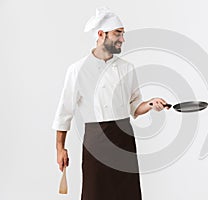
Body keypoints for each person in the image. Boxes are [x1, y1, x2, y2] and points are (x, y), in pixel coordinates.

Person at [52, 7, 168, 200]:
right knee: (95, 193)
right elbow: (64, 114)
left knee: (127, 194)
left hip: (124, 140)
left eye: (123, 34)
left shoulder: (127, 69)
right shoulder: (78, 70)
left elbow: (134, 107)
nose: (122, 39)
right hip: (95, 141)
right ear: (100, 34)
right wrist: (59, 148)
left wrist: (150, 104)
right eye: (118, 34)